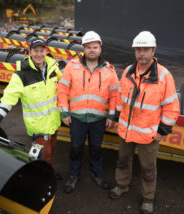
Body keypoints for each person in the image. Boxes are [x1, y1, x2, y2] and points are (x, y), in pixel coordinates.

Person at [108, 31, 180, 214]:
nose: (142, 53)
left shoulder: (164, 76)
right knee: (123, 161)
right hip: (126, 130)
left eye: (146, 49)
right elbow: (120, 97)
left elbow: (171, 106)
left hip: (149, 134)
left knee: (148, 169)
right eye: (139, 49)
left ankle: (148, 198)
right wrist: (116, 118)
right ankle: (122, 185)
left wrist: (162, 130)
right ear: (135, 51)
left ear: (153, 50)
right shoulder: (127, 72)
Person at [0, 38, 62, 179]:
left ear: (46, 51)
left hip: (54, 122)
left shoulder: (53, 68)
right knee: (44, 155)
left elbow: (65, 86)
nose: (39, 54)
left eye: (42, 50)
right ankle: (44, 178)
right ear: (29, 52)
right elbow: (8, 99)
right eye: (35, 51)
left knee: (51, 150)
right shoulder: (21, 75)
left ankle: (48, 171)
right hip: (38, 126)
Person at [57, 31, 119, 193]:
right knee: (76, 147)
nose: (92, 50)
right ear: (84, 48)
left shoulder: (109, 70)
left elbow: (115, 95)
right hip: (76, 118)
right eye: (89, 47)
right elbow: (62, 90)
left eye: (95, 47)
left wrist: (112, 115)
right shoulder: (72, 66)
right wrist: (64, 113)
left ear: (100, 48)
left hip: (98, 119)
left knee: (96, 148)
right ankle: (73, 175)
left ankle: (97, 174)